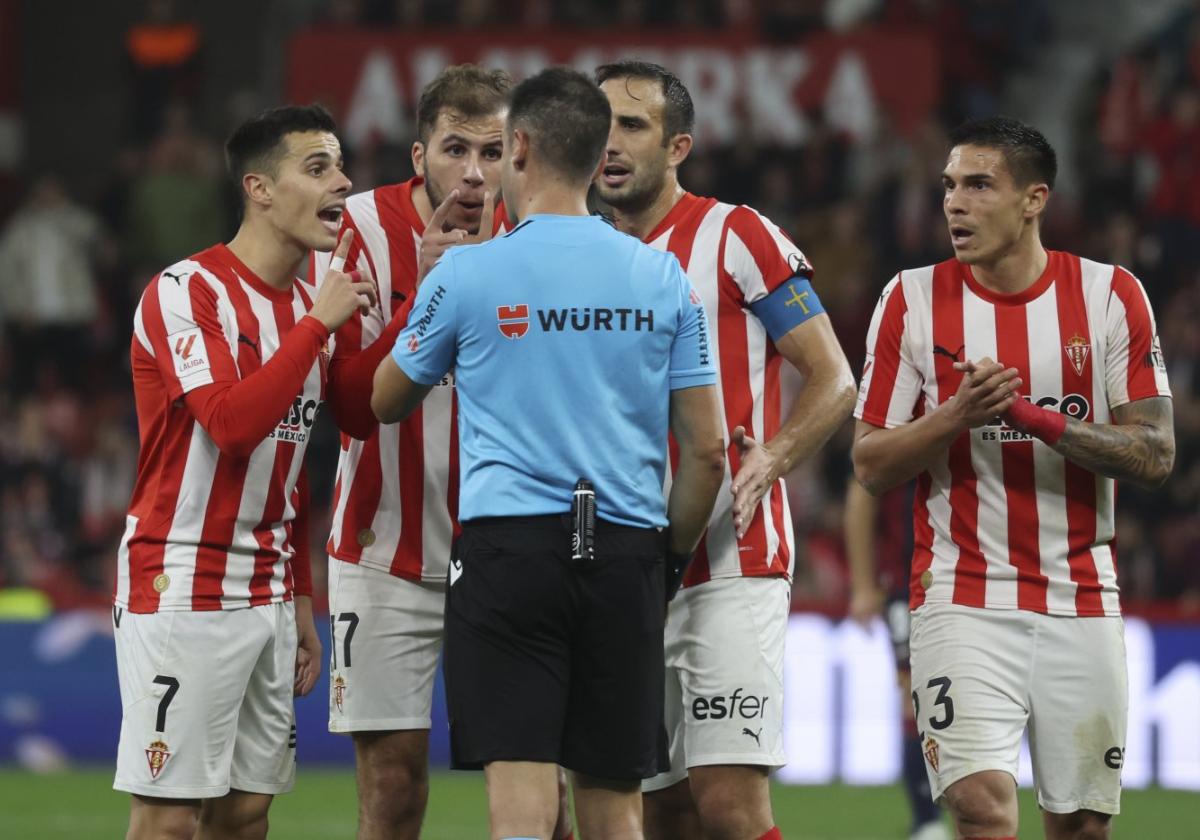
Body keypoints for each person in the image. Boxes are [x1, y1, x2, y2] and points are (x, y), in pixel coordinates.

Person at [371, 66, 726, 840]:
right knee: (613, 808)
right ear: (601, 158)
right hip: (628, 551)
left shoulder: (467, 272)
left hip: (511, 553)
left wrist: (428, 301)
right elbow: (709, 454)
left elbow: (385, 398)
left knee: (523, 809)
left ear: (519, 146)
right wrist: (665, 560)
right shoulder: (662, 274)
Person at [852, 116, 1175, 840]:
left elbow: (1156, 455)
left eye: (978, 185)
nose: (954, 204)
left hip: (1082, 594)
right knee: (979, 805)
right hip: (961, 591)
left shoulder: (1111, 296)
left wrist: (1033, 417)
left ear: (1034, 199)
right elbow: (869, 463)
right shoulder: (909, 299)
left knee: (1083, 824)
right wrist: (957, 415)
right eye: (947, 186)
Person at [309, 64, 578, 840]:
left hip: (511, 550)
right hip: (383, 548)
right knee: (392, 792)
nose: (473, 172)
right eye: (454, 149)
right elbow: (355, 409)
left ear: (518, 156)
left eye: (492, 152)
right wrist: (424, 297)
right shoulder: (357, 230)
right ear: (418, 155)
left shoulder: (541, 236)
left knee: (542, 796)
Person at [593, 61, 857, 840]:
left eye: (632, 126)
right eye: (600, 124)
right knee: (656, 808)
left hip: (730, 559)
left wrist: (771, 456)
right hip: (617, 560)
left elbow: (834, 376)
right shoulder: (570, 249)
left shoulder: (737, 234)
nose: (610, 143)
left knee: (729, 804)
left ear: (679, 146)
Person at [113, 104, 375, 840]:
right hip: (182, 577)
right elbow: (231, 427)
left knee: (245, 811)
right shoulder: (186, 291)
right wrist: (317, 326)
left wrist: (298, 600)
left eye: (341, 166)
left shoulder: (311, 295)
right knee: (168, 820)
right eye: (317, 168)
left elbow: (298, 459)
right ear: (258, 188)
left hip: (266, 582)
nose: (342, 184)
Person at [844, 478, 949, 840]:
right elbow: (862, 493)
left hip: (966, 582)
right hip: (907, 582)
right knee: (914, 698)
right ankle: (927, 822)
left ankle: (959, 813)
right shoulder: (900, 426)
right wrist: (862, 585)